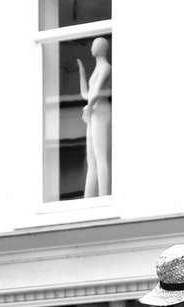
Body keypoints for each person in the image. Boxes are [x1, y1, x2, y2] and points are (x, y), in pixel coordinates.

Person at [77, 36, 111, 198]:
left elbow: (96, 93)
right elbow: (87, 94)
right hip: (93, 112)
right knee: (91, 159)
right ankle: (88, 198)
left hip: (100, 110)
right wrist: (82, 73)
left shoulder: (105, 67)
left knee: (100, 156)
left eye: (94, 45)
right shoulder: (99, 68)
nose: (91, 47)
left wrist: (89, 108)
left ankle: (104, 197)